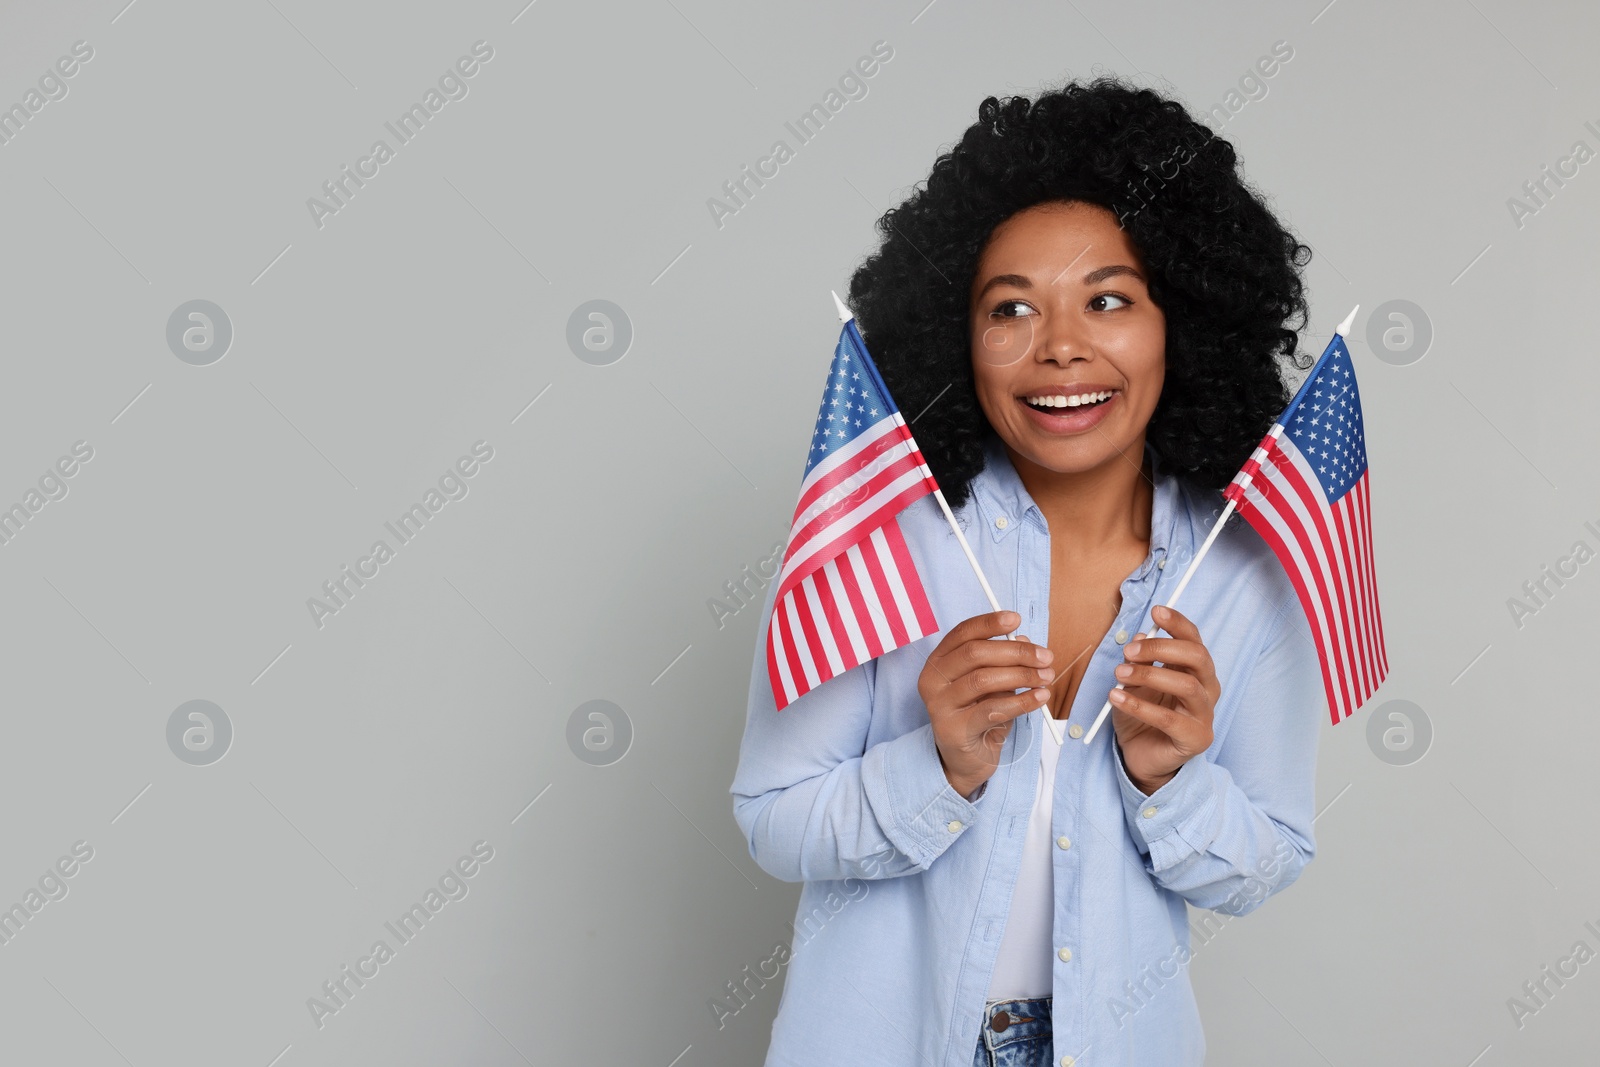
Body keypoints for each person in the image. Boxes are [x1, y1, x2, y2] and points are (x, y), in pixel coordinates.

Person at [730, 74, 1324, 1067]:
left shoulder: (1245, 566)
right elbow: (770, 818)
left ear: (1182, 321)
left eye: (1107, 299)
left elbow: (1263, 860)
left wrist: (1170, 776)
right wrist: (941, 764)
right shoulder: (881, 538)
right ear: (959, 338)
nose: (1058, 347)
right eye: (1010, 308)